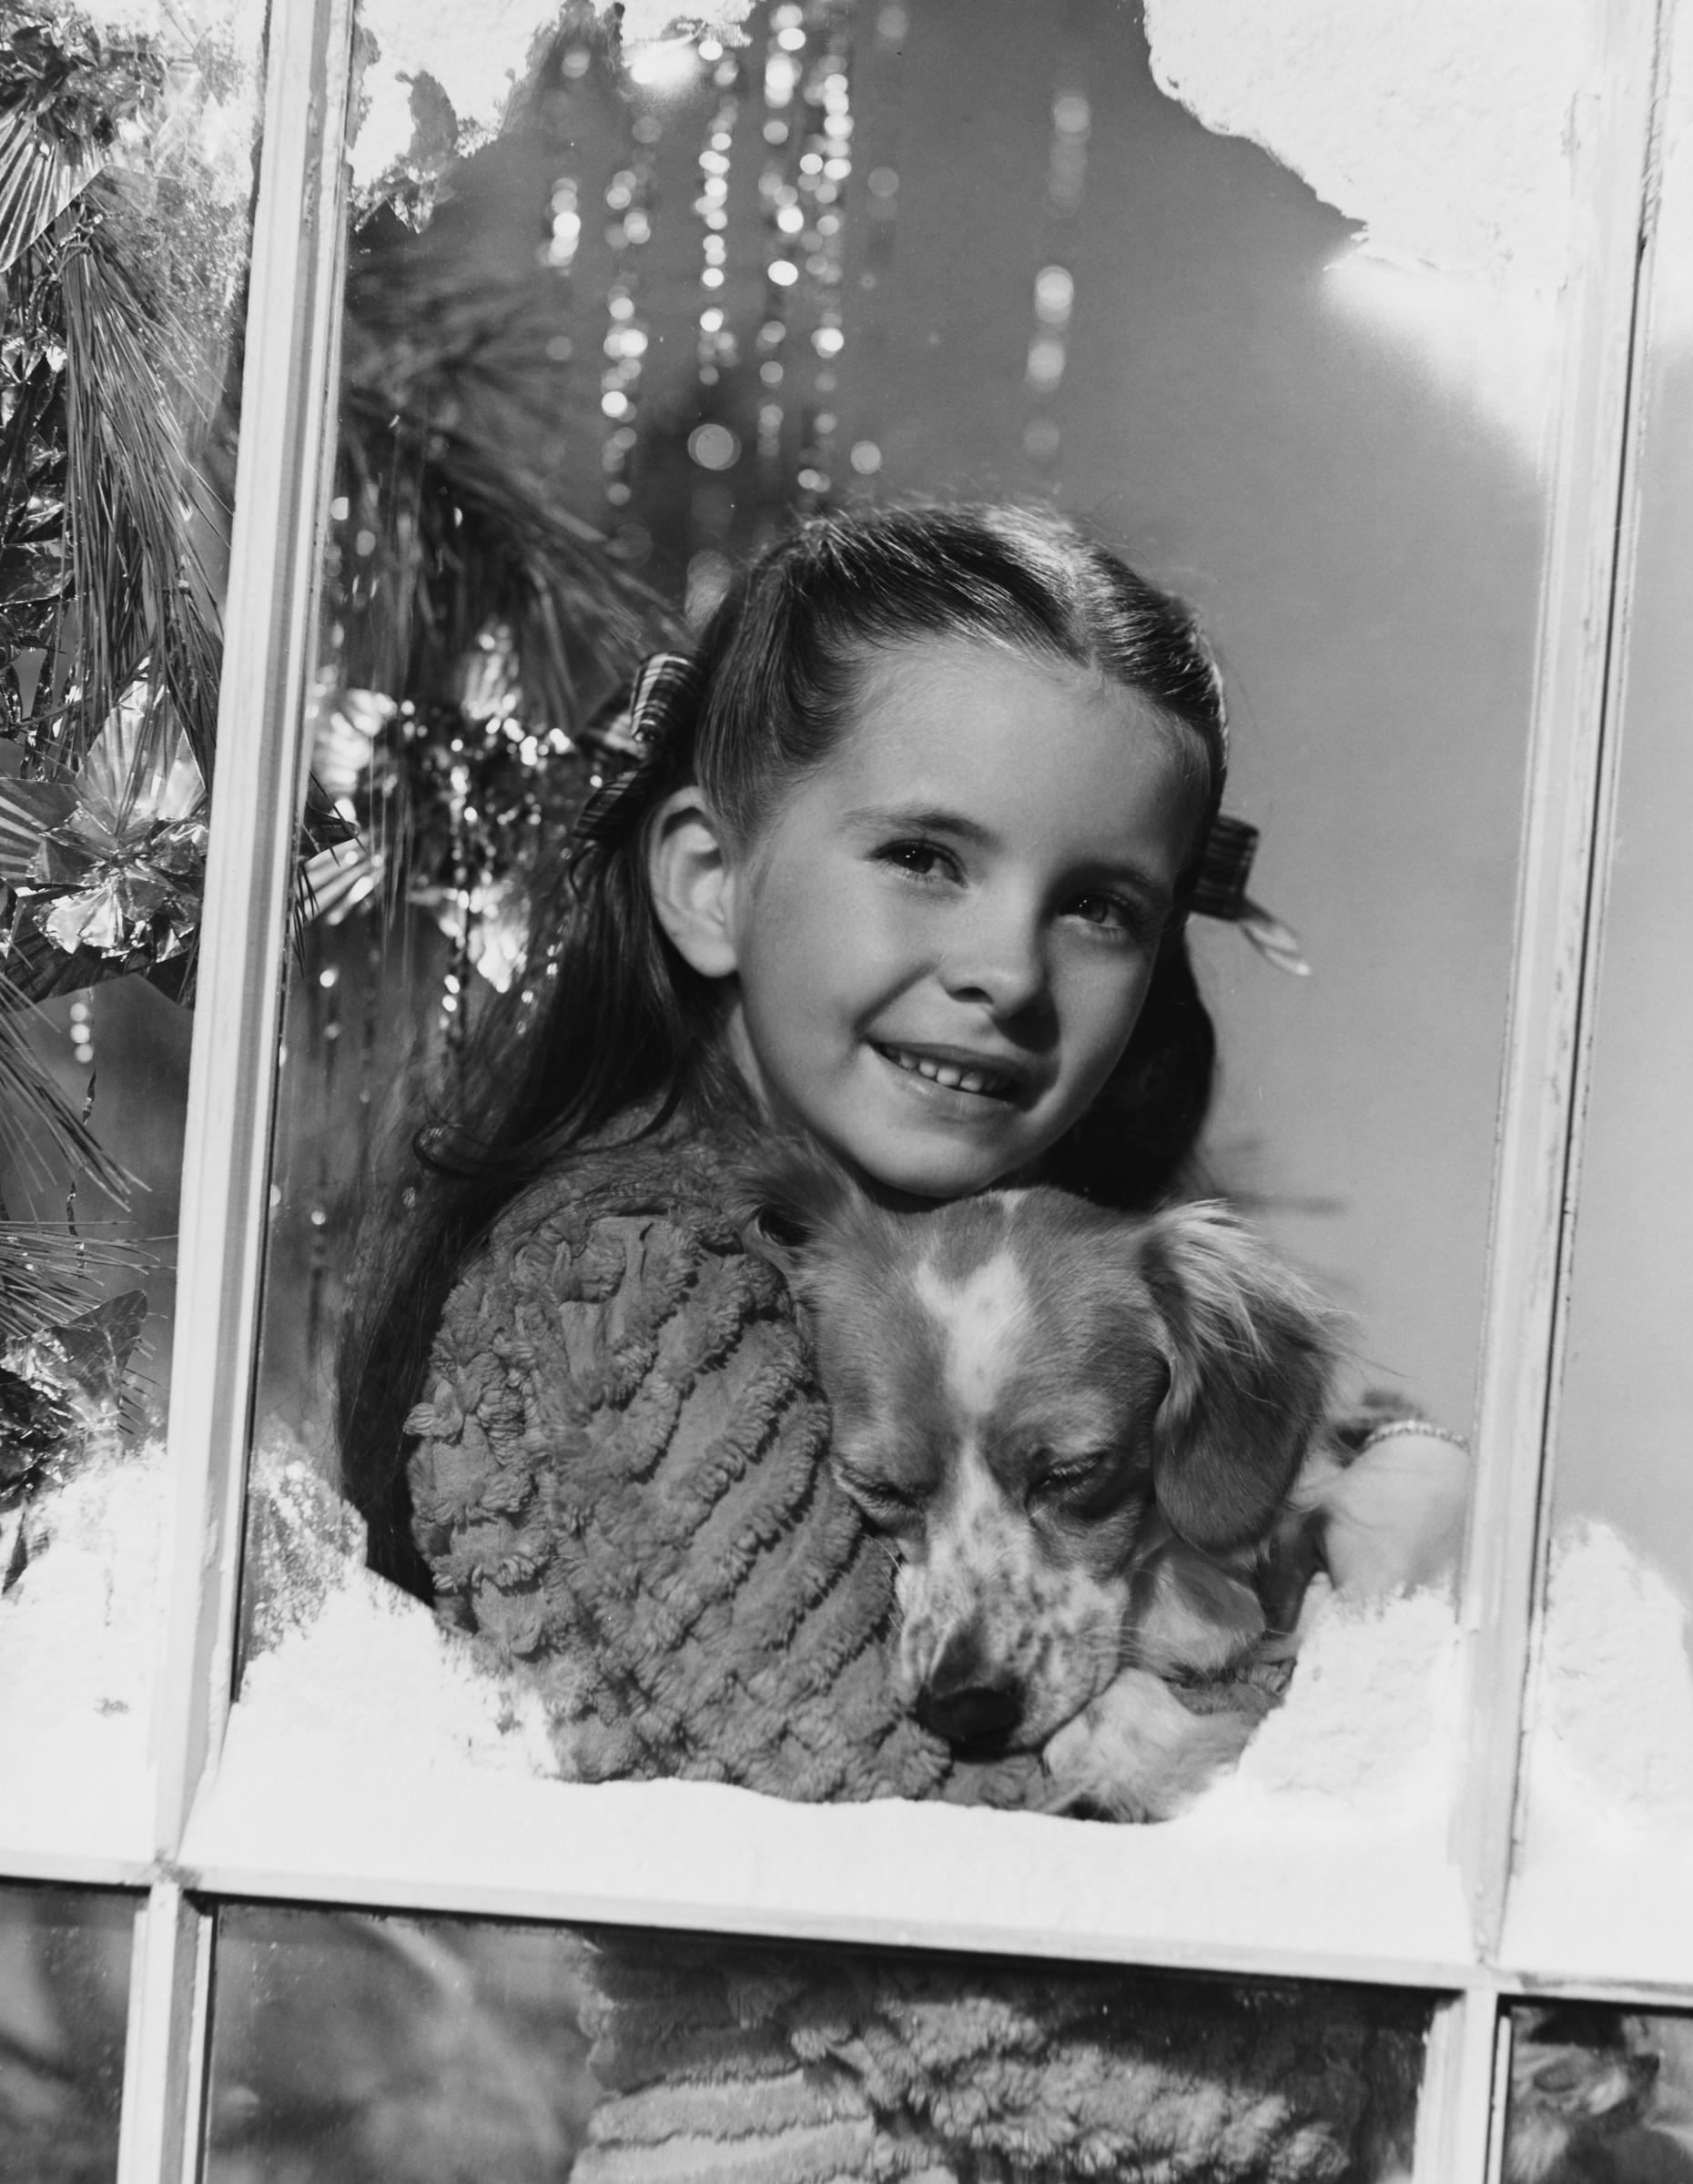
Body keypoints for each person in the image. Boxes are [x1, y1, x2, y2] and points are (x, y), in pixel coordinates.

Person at [337, 500, 1394, 1805]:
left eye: (1097, 905)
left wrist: (1400, 1465)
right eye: (922, 857)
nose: (1006, 971)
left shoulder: (1020, 1248)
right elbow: (909, 1851)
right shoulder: (625, 1289)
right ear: (710, 881)